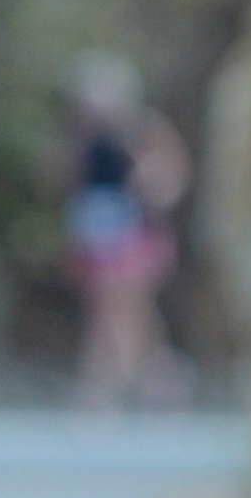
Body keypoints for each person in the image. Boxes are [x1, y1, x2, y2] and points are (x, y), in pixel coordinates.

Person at [59, 52, 191, 408]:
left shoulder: (142, 129)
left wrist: (149, 182)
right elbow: (69, 179)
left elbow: (170, 176)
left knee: (124, 306)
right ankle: (156, 375)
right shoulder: (83, 135)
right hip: (95, 231)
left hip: (134, 232)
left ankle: (111, 385)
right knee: (108, 307)